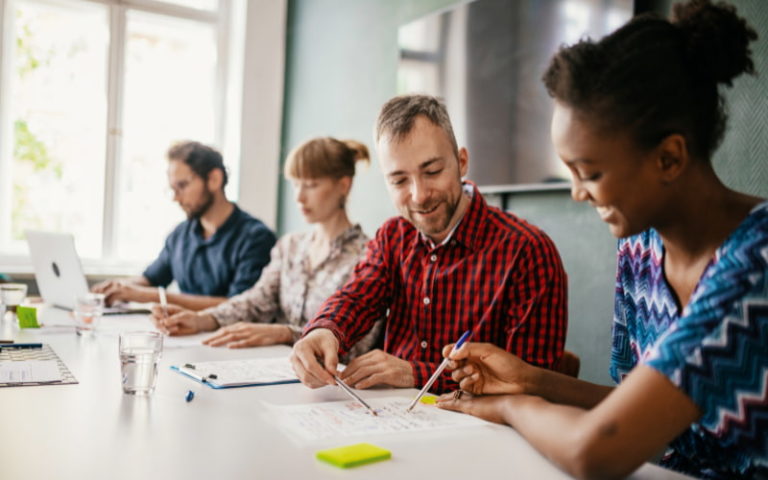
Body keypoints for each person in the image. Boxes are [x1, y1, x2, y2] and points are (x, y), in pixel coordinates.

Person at [436, 1, 767, 479]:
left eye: (589, 172)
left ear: (670, 158)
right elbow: (641, 410)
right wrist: (528, 381)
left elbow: (600, 450)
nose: (576, 193)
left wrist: (512, 408)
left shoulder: (755, 262)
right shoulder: (639, 249)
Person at [291, 94, 568, 394]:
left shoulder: (528, 252)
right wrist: (324, 331)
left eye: (432, 172)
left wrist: (414, 373)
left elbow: (531, 384)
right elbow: (357, 296)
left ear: (461, 162)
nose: (419, 195)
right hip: (395, 423)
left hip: (482, 433)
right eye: (399, 181)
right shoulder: (393, 236)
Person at [151, 137, 382, 358]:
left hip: (331, 386)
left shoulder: (369, 256)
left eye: (311, 185)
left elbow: (359, 345)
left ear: (343, 185)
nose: (299, 197)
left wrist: (285, 333)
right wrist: (202, 319)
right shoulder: (290, 246)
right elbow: (256, 301)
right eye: (295, 184)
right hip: (275, 370)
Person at [93, 141, 276, 311]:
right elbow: (150, 279)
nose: (175, 197)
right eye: (172, 189)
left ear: (214, 179)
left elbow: (237, 306)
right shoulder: (180, 235)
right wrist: (117, 287)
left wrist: (147, 296)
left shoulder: (257, 238)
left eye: (182, 186)